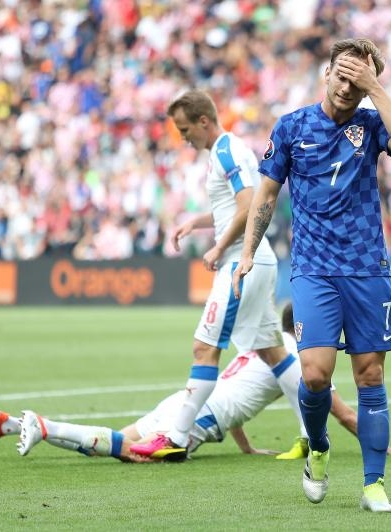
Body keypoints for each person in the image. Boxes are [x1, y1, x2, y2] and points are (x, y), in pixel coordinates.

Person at [232, 38, 391, 513]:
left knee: (370, 372)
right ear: (326, 73)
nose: (345, 87)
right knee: (314, 375)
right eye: (341, 75)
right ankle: (317, 447)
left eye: (355, 80)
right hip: (314, 268)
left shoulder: (372, 123)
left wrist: (374, 87)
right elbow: (268, 195)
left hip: (366, 267)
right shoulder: (293, 127)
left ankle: (374, 484)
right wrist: (247, 253)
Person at [0, 306, 391, 461]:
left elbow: (236, 391)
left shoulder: (266, 346)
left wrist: (245, 446)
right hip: (199, 419)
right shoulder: (292, 359)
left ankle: (14, 423)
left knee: (125, 437)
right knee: (133, 455)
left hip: (188, 400)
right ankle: (43, 427)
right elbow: (341, 411)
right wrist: (386, 450)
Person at [130, 90, 306, 461]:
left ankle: (176, 435)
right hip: (257, 258)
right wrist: (198, 222)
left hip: (243, 261)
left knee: (204, 348)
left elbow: (251, 204)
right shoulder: (223, 153)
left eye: (184, 129)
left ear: (203, 122)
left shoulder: (227, 150)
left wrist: (218, 246)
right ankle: (312, 432)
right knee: (273, 352)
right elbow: (233, 207)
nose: (182, 137)